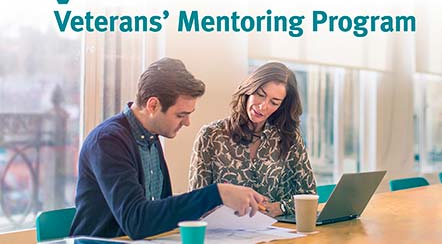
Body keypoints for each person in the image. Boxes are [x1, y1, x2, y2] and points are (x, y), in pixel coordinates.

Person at [70, 58, 265, 240]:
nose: (187, 122)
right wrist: (216, 193)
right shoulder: (108, 141)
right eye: (181, 115)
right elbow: (137, 221)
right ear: (153, 105)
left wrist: (216, 204)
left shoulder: (150, 137)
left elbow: (159, 210)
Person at [189, 62, 316, 217]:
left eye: (274, 102)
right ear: (249, 89)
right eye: (260, 95)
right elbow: (195, 201)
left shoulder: (288, 137)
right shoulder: (211, 136)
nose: (263, 106)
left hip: (276, 234)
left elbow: (309, 197)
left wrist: (280, 207)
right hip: (223, 234)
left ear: (281, 106)